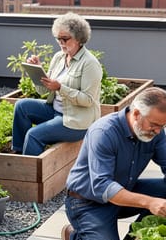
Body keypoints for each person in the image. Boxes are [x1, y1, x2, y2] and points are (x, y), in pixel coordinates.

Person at [60, 87, 166, 240]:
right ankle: (74, 236)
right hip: (87, 204)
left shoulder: (153, 131)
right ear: (136, 113)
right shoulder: (104, 132)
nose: (158, 131)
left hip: (123, 194)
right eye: (154, 125)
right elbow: (103, 187)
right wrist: (149, 202)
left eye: (163, 126)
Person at [11, 12, 102, 156]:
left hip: (76, 120)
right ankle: (19, 153)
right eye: (58, 39)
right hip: (54, 110)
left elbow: (88, 100)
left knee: (34, 135)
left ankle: (27, 173)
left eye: (65, 39)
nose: (61, 43)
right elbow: (43, 91)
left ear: (79, 38)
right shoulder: (59, 57)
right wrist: (37, 71)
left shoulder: (90, 63)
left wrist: (60, 88)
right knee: (22, 107)